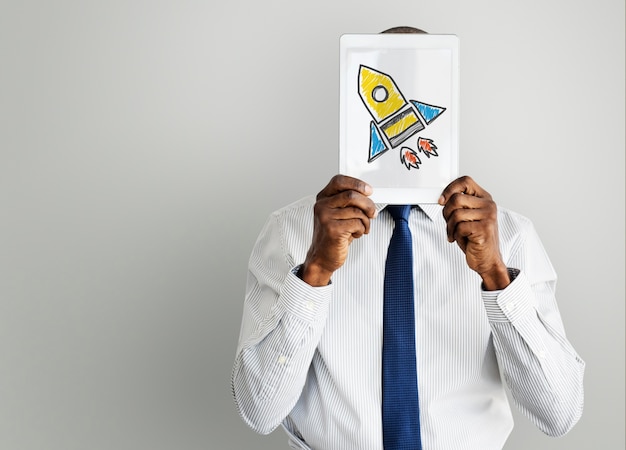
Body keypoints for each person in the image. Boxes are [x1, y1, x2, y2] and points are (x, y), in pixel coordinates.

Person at [231, 26, 585, 450]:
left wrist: (495, 273)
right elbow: (259, 411)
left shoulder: (509, 236)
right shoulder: (292, 231)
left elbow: (559, 413)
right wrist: (315, 272)